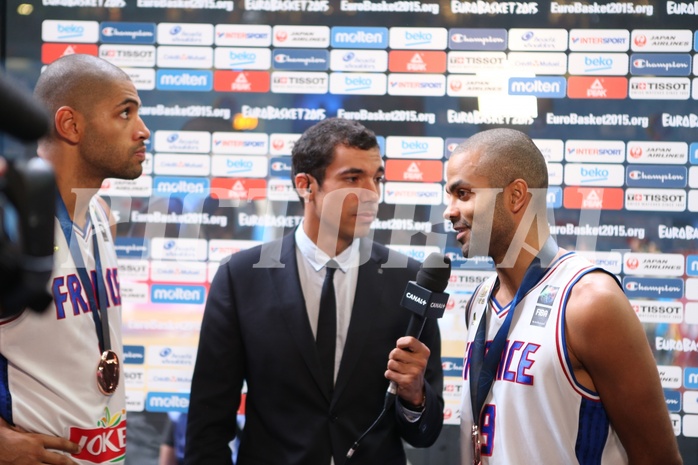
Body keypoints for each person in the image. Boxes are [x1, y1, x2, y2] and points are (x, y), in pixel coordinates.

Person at [185, 118, 444, 465]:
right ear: (306, 185)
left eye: (377, 178)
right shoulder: (240, 277)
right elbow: (208, 424)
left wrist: (415, 397)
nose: (372, 194)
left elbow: (424, 434)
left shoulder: (409, 280)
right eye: (353, 178)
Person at [442, 128, 682, 464]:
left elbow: (659, 459)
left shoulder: (589, 302)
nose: (449, 211)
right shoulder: (480, 300)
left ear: (515, 196)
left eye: (463, 194)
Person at [0, 54, 150, 464]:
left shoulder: (102, 216)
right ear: (70, 125)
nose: (143, 131)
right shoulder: (11, 225)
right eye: (125, 113)